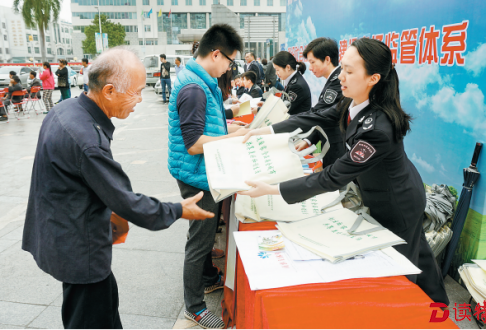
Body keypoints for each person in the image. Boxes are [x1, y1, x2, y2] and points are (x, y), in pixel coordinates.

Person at [240, 38, 449, 306]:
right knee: (418, 251)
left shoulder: (378, 128)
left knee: (400, 267)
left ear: (373, 78)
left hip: (397, 202)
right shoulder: (355, 102)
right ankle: (440, 307)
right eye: (342, 69)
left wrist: (273, 189)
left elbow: (334, 176)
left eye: (350, 71)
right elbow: (315, 117)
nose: (342, 77)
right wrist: (263, 130)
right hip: (388, 191)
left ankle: (407, 314)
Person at [22, 46, 214, 329]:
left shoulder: (65, 110)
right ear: (109, 91)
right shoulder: (87, 140)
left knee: (104, 308)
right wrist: (178, 210)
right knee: (91, 316)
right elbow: (126, 200)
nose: (139, 99)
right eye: (136, 91)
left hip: (61, 233)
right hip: (78, 247)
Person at [167, 23, 247, 329]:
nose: (229, 67)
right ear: (216, 54)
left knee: (203, 234)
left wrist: (229, 127)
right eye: (229, 61)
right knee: (199, 241)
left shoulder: (200, 80)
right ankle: (195, 306)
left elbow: (204, 124)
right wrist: (233, 139)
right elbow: (193, 144)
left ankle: (208, 278)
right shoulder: (194, 88)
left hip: (202, 171)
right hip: (198, 176)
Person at [292, 37, 344, 167]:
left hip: (337, 149)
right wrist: (309, 140)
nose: (310, 68)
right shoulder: (332, 81)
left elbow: (317, 115)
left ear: (327, 59)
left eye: (312, 62)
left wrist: (276, 126)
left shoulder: (338, 82)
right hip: (330, 146)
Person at [272, 50, 311, 115]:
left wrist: (260, 109)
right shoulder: (292, 81)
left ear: (288, 67)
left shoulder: (297, 86)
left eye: (277, 70)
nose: (276, 73)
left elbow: (283, 109)